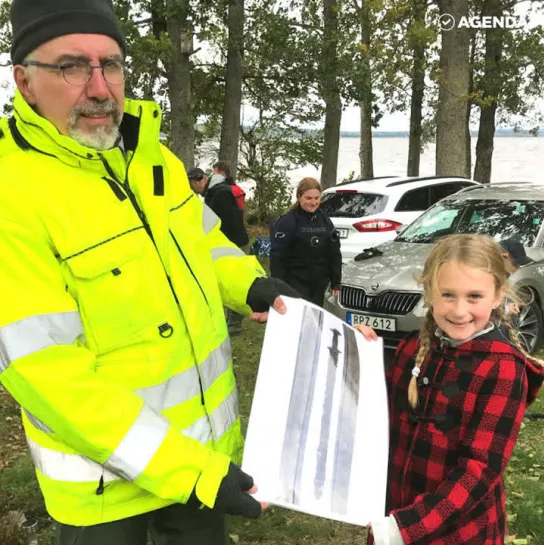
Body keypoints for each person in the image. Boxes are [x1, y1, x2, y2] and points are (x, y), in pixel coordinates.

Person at [0, 1, 298, 544]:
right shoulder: (10, 194)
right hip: (105, 493)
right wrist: (191, 470)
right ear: (24, 81)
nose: (99, 88)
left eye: (111, 64)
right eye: (71, 66)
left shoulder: (150, 157)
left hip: (200, 463)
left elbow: (203, 241)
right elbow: (46, 373)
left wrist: (248, 282)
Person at [356, 234, 544, 545]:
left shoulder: (503, 369)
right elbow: (375, 417)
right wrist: (357, 355)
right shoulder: (410, 349)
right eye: (447, 294)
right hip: (395, 514)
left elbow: (480, 469)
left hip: (460, 532)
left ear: (497, 295)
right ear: (429, 292)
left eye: (474, 296)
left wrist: (404, 529)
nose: (459, 311)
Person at [188, 165, 250, 336]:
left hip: (234, 244)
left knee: (236, 282)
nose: (193, 191)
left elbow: (225, 222)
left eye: (192, 186)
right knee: (225, 282)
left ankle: (234, 324)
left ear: (198, 181)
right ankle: (227, 321)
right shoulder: (214, 191)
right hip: (230, 243)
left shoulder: (219, 193)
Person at [270, 177, 342, 307]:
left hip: (319, 283)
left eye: (316, 198)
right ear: (299, 197)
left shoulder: (324, 219)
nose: (313, 202)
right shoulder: (287, 221)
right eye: (308, 198)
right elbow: (277, 258)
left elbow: (334, 251)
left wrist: (336, 281)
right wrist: (278, 287)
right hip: (295, 283)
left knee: (314, 322)